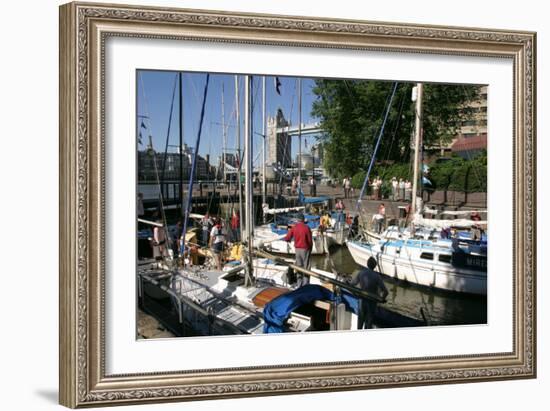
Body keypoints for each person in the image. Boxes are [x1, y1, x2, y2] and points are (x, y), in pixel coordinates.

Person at [348, 257, 388, 329]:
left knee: (360, 323)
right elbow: (386, 292)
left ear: (367, 264)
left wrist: (347, 282)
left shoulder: (361, 273)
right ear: (375, 266)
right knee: (369, 324)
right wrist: (381, 299)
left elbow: (352, 284)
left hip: (362, 300)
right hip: (372, 303)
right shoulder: (377, 277)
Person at [283, 214, 313, 286]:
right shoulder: (307, 228)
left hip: (297, 250)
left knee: (299, 266)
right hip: (305, 249)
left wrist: (287, 240)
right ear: (303, 219)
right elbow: (310, 241)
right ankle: (305, 285)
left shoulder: (294, 227)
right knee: (306, 267)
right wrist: (310, 249)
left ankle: (299, 284)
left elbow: (287, 237)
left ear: (297, 220)